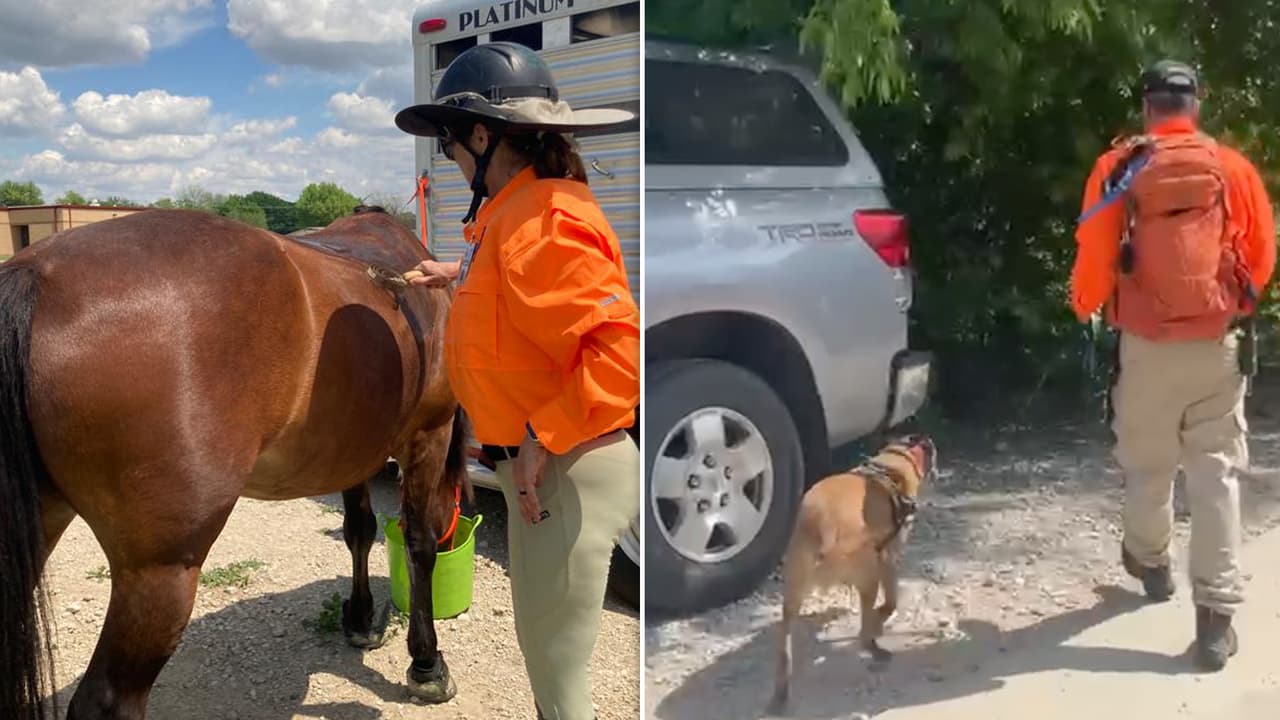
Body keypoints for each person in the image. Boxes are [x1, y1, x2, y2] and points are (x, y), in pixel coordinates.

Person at [393, 41, 640, 719]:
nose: (447, 160)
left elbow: (617, 353)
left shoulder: (541, 220)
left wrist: (542, 436)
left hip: (564, 467)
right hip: (551, 467)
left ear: (482, 134)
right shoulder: (513, 216)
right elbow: (520, 298)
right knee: (547, 658)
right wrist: (453, 273)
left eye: (449, 145)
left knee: (558, 677)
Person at [1070, 59, 1275, 671]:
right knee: (1216, 475)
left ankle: (1151, 563)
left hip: (1145, 344)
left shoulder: (1119, 168)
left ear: (1146, 107)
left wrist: (1086, 307)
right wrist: (1235, 305)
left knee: (1146, 463)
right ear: (1197, 104)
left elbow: (1095, 253)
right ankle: (1215, 623)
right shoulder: (1231, 168)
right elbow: (1262, 253)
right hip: (1216, 345)